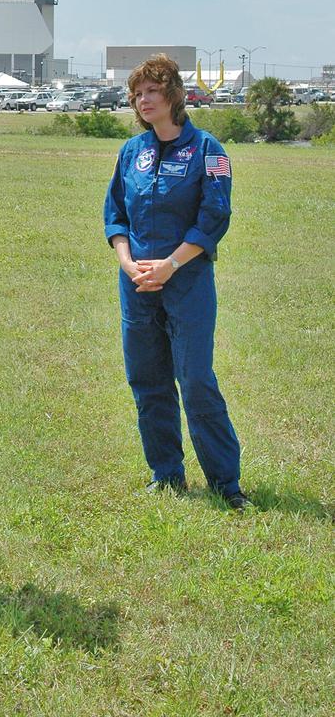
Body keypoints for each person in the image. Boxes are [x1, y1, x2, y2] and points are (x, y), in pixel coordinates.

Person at [104, 53, 250, 509]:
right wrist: (129, 265)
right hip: (137, 286)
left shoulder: (208, 150)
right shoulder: (132, 152)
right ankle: (166, 474)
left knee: (195, 379)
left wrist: (170, 265)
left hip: (186, 284)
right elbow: (116, 216)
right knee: (147, 381)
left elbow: (214, 217)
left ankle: (226, 484)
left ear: (173, 96)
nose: (143, 100)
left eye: (151, 91)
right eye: (137, 94)